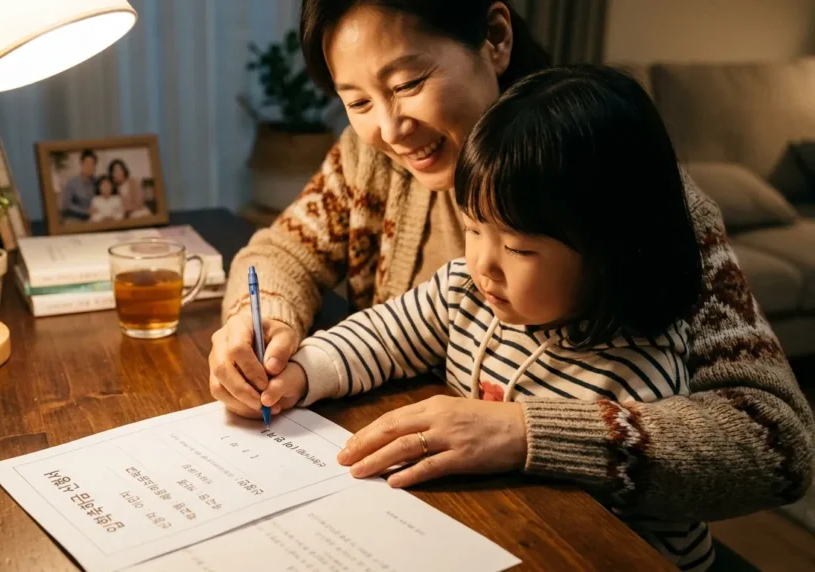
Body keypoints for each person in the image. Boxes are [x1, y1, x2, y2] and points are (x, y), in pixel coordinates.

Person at [210, 0, 814, 566]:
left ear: (496, 38)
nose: (390, 128)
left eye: (406, 85)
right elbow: (281, 250)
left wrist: (522, 429)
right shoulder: (372, 158)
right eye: (357, 100)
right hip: (429, 507)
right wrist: (262, 321)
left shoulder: (626, 201)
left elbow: (778, 445)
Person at [253, 65, 712, 568]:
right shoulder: (467, 292)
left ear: (612, 251)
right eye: (473, 229)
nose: (482, 264)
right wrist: (302, 371)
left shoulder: (637, 376)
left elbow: (596, 530)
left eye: (518, 248)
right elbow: (385, 335)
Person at [60, 149, 98, 221]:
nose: (90, 167)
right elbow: (66, 205)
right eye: (87, 164)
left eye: (93, 164)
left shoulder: (97, 182)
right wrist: (85, 211)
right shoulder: (72, 182)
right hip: (75, 218)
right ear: (81, 164)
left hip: (94, 218)